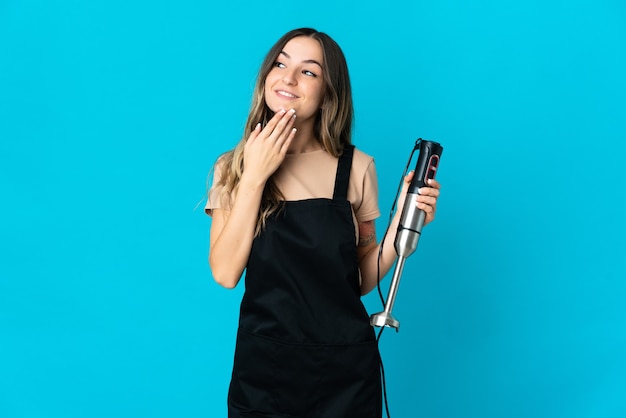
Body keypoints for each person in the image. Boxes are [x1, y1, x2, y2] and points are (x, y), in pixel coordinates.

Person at [205, 28, 441, 418]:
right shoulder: (231, 167)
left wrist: (401, 229)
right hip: (264, 372)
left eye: (309, 72)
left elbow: (360, 281)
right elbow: (226, 272)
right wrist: (254, 176)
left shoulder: (358, 168)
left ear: (329, 91)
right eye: (280, 64)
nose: (288, 78)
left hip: (344, 374)